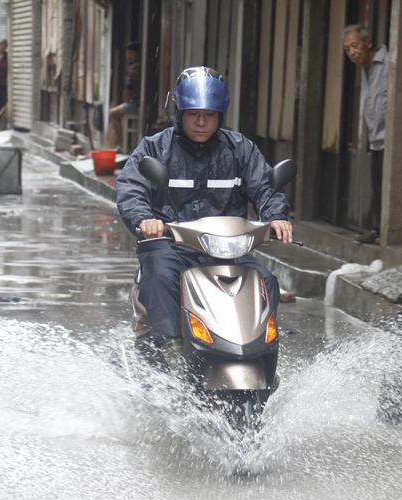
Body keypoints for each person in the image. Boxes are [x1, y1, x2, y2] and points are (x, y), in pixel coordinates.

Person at [115, 66, 293, 367]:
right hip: (172, 247)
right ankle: (170, 349)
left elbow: (265, 186)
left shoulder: (240, 149)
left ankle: (264, 356)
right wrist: (145, 219)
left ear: (220, 116)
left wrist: (275, 216)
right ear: (179, 113)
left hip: (228, 251)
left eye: (209, 115)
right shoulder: (155, 148)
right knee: (159, 273)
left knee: (267, 280)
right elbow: (131, 188)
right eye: (193, 114)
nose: (200, 122)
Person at [342, 24, 388, 245]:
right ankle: (376, 229)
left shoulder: (387, 62)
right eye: (347, 49)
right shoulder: (365, 68)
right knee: (377, 184)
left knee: (384, 185)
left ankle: (381, 230)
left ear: (368, 43)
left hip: (390, 137)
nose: (351, 52)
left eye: (354, 46)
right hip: (375, 137)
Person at [105, 41, 141, 150]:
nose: (128, 56)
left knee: (112, 113)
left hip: (134, 103)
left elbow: (129, 88)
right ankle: (122, 143)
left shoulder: (134, 68)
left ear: (135, 53)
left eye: (130, 53)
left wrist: (127, 99)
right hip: (132, 102)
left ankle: (121, 144)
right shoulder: (133, 66)